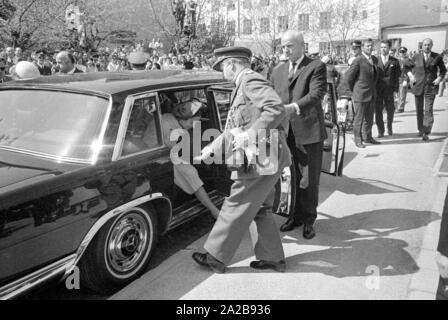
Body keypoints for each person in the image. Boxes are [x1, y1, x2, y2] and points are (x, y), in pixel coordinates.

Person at [191, 46, 295, 273]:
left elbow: (275, 109)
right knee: (261, 209)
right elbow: (236, 127)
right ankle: (272, 258)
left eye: (222, 68)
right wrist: (212, 148)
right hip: (267, 157)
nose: (222, 73)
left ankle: (215, 257)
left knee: (235, 203)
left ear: (232, 64)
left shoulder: (250, 81)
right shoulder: (243, 85)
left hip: (260, 158)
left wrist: (251, 134)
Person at [270, 30, 327, 239]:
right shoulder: (277, 70)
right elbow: (272, 96)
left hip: (309, 132)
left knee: (309, 179)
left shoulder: (316, 66)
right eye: (283, 46)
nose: (286, 50)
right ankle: (294, 215)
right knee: (291, 177)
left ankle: (309, 220)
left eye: (290, 46)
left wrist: (292, 107)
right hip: (286, 133)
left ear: (302, 46)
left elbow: (316, 95)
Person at [161, 99, 220, 219]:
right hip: (164, 158)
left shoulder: (166, 116)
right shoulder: (175, 132)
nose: (193, 126)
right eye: (193, 123)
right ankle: (214, 211)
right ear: (185, 119)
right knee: (192, 174)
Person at [405, 38, 447, 141]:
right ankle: (420, 129)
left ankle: (426, 131)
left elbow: (443, 70)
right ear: (421, 46)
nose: (426, 46)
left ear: (431, 46)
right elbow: (406, 67)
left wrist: (439, 78)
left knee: (428, 109)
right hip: (418, 86)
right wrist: (410, 76)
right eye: (425, 45)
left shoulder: (436, 57)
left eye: (428, 45)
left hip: (431, 86)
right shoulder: (416, 56)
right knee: (419, 109)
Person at [344, 38, 380, 148]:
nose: (370, 48)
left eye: (371, 46)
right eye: (367, 46)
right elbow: (349, 78)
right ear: (363, 47)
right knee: (358, 119)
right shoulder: (358, 60)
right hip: (360, 94)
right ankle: (357, 139)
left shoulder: (373, 59)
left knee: (369, 118)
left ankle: (367, 137)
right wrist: (355, 90)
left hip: (371, 94)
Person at [375, 40, 400, 137]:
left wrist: (396, 91)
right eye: (381, 47)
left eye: (385, 47)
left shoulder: (395, 61)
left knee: (390, 110)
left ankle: (389, 127)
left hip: (389, 90)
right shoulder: (375, 60)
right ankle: (380, 131)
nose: (383, 49)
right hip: (378, 90)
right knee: (378, 110)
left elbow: (397, 77)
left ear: (389, 48)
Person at [396, 47, 411, 113]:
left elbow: (410, 71)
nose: (402, 53)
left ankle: (401, 107)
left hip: (404, 79)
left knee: (402, 94)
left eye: (403, 52)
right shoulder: (397, 60)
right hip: (397, 79)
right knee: (398, 95)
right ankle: (399, 106)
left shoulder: (408, 60)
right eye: (400, 52)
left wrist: (406, 79)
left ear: (405, 52)